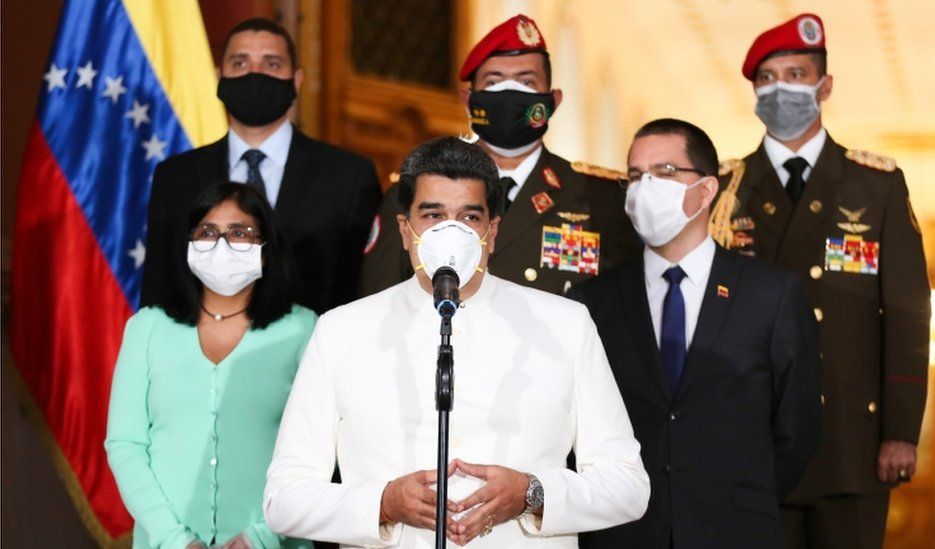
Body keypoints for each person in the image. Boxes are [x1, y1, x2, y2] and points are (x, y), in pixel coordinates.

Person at [263, 137, 650, 548]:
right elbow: (284, 498)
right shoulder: (341, 331)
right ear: (405, 231)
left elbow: (628, 486)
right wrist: (383, 503)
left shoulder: (565, 325)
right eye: (433, 215)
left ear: (492, 232)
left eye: (469, 216)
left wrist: (532, 494)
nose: (452, 230)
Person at [707, 14, 930, 548]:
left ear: (824, 86)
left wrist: (899, 431)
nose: (780, 89)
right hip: (750, 437)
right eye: (767, 78)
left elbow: (906, 311)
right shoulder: (723, 188)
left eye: (796, 74)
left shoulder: (874, 185)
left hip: (851, 441)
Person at [571, 119, 822, 548]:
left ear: (707, 190)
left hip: (735, 529)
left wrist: (737, 494)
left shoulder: (771, 293)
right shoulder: (591, 302)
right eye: (635, 176)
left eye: (665, 172)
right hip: (623, 534)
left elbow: (796, 430)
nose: (645, 187)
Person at [359, 14, 641, 297]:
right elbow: (379, 302)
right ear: (469, 100)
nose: (509, 93)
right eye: (494, 82)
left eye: (526, 82)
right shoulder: (414, 192)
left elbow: (621, 310)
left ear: (553, 100)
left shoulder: (603, 201)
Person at [106, 183, 316, 548]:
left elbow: (318, 451)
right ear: (190, 246)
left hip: (273, 540)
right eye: (207, 232)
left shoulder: (303, 329)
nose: (221, 243)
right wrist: (174, 539)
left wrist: (260, 536)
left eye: (239, 232)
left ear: (265, 251)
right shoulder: (148, 328)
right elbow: (125, 444)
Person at [142, 17, 381, 315]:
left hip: (313, 353)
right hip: (201, 353)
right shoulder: (176, 176)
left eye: (271, 64)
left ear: (296, 80)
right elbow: (158, 285)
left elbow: (362, 288)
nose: (255, 75)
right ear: (219, 77)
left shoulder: (349, 176)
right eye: (240, 64)